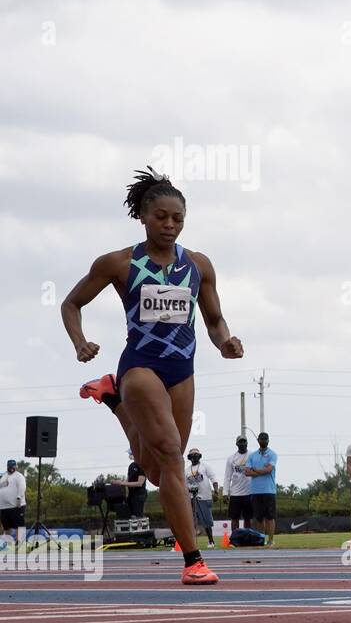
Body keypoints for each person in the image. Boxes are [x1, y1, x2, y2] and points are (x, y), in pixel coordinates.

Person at [61, 166, 241, 584]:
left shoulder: (198, 265)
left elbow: (214, 320)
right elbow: (71, 303)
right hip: (141, 365)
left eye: (178, 218)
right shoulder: (119, 263)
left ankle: (114, 403)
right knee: (172, 454)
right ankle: (193, 561)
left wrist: (225, 342)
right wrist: (79, 343)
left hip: (182, 370)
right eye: (161, 217)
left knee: (160, 471)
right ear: (143, 216)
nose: (170, 225)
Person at [245, 432, 278, 546]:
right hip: (255, 491)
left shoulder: (272, 454)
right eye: (261, 439)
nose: (263, 441)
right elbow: (246, 472)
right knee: (258, 518)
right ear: (258, 440)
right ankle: (261, 540)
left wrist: (255, 470)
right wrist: (261, 471)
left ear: (268, 441)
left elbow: (268, 470)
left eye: (265, 439)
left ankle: (271, 540)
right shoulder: (252, 455)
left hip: (269, 490)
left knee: (270, 517)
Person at [185, 448, 219, 549]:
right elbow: (184, 485)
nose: (194, 456)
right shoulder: (186, 470)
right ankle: (192, 544)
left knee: (207, 520)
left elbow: (214, 478)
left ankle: (211, 541)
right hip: (192, 497)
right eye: (192, 455)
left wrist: (216, 491)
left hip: (205, 497)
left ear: (199, 456)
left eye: (196, 454)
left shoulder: (205, 466)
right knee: (192, 521)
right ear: (189, 457)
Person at [225, 435, 253, 531]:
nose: (242, 444)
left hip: (249, 493)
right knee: (235, 518)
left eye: (244, 441)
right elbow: (227, 477)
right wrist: (225, 493)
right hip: (235, 493)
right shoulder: (231, 458)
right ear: (236, 444)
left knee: (248, 518)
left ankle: (248, 538)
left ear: (247, 443)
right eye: (240, 442)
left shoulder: (252, 456)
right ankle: (234, 538)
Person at [0, 460, 26, 542]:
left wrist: (19, 497)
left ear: (16, 466)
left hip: (16, 505)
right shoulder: (4, 476)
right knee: (7, 526)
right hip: (4, 507)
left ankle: (20, 542)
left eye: (13, 466)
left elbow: (22, 487)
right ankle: (7, 542)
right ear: (7, 467)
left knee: (20, 525)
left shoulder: (19, 476)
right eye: (10, 466)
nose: (12, 468)